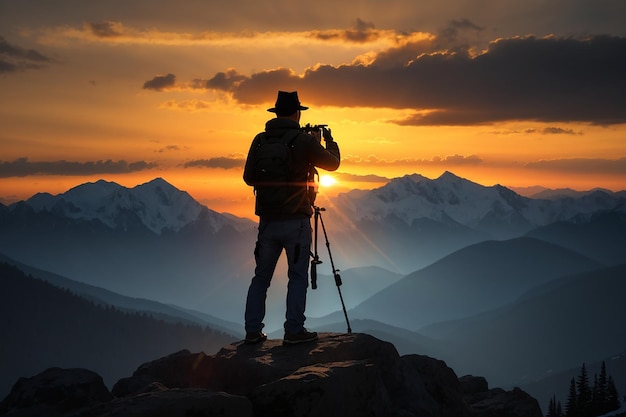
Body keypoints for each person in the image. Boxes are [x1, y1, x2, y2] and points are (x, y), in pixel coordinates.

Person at [243, 91, 340, 344]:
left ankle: (253, 331)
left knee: (261, 277)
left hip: (267, 221)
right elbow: (332, 164)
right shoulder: (303, 141)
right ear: (297, 113)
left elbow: (248, 177)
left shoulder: (260, 140)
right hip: (296, 221)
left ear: (276, 113)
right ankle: (294, 331)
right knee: (297, 276)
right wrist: (330, 142)